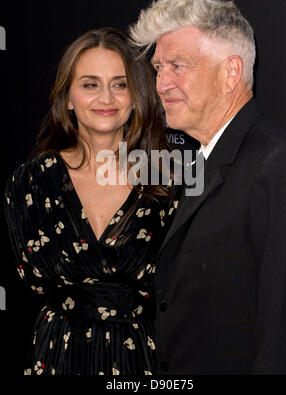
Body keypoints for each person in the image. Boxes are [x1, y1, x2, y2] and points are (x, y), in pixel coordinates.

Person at [130, 0, 286, 374]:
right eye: (159, 68)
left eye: (178, 65)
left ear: (231, 73)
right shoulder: (204, 163)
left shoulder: (278, 166)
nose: (160, 85)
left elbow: (284, 332)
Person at [4, 27, 178, 375]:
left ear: (135, 96)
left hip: (139, 358)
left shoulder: (168, 181)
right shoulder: (30, 182)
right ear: (67, 98)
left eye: (119, 83)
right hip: (58, 355)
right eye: (90, 84)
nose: (107, 98)